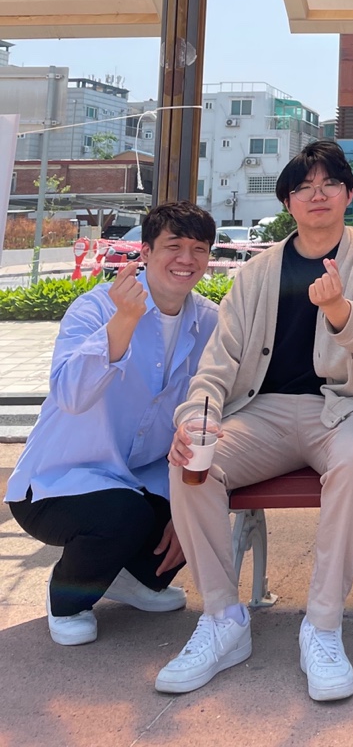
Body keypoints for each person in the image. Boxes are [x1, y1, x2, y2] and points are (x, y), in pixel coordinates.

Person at [156, 141, 353, 702]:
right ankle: (223, 619)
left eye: (330, 184)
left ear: (348, 194)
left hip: (348, 406)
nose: (318, 195)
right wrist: (195, 419)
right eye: (303, 187)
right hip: (261, 412)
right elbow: (218, 361)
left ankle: (322, 625)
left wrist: (338, 309)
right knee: (193, 462)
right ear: (288, 201)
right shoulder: (258, 271)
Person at [6, 202, 218, 645]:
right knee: (123, 514)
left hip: (142, 476)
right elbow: (71, 395)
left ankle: (128, 579)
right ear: (146, 251)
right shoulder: (96, 307)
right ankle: (68, 600)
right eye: (174, 246)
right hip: (58, 483)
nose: (187, 259)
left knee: (202, 501)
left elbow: (215, 405)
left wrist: (188, 509)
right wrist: (124, 321)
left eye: (199, 248)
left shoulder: (209, 321)